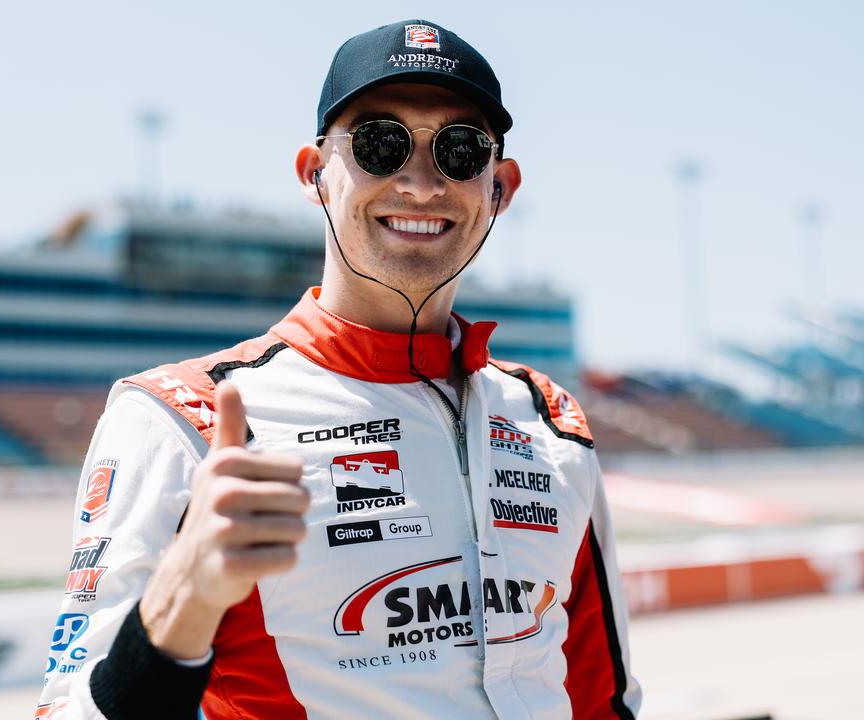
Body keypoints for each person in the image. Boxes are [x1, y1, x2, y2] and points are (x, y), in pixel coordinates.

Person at [36, 18, 642, 720]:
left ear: (499, 187)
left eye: (460, 149)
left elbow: (603, 701)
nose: (421, 184)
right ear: (314, 174)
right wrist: (179, 608)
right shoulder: (178, 419)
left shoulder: (547, 420)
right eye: (381, 144)